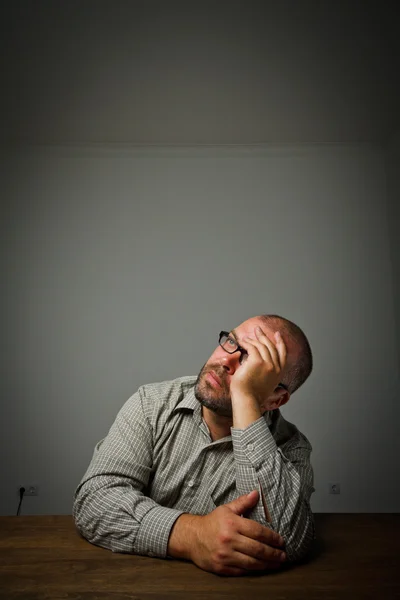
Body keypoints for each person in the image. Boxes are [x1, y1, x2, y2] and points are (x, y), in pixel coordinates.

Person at [73, 313, 315, 576]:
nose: (225, 360)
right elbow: (94, 501)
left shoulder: (292, 449)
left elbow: (285, 544)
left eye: (252, 364)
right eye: (231, 342)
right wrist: (191, 536)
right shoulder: (151, 404)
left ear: (276, 400)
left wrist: (245, 397)